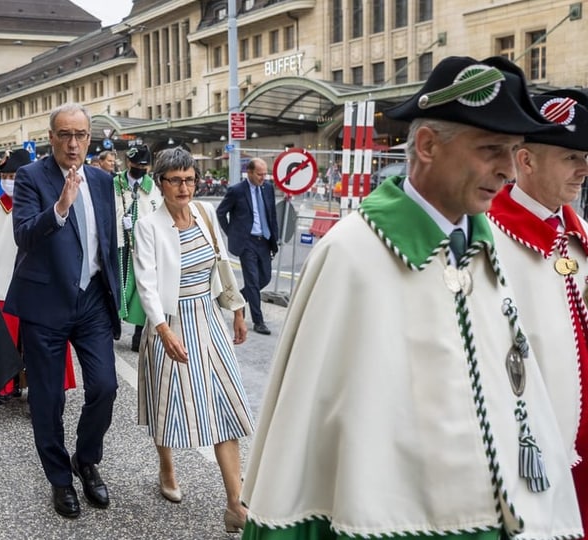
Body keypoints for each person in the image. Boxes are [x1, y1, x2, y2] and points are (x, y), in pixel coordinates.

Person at [240, 56, 581, 539]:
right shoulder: (351, 254)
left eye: (514, 150)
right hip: (388, 525)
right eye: (491, 149)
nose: (507, 170)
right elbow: (307, 435)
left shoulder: (487, 248)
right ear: (426, 146)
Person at [5, 103, 121, 519]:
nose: (73, 144)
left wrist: (116, 297)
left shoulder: (104, 180)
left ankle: (86, 459)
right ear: (51, 137)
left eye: (81, 135)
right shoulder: (31, 177)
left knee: (105, 387)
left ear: (90, 138)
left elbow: (108, 243)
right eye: (65, 135)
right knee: (48, 400)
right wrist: (60, 208)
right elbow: (23, 235)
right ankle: (59, 478)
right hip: (46, 303)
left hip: (91, 301)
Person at [133, 147, 252, 532]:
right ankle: (166, 466)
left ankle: (235, 503)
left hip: (209, 318)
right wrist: (162, 329)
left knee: (225, 404)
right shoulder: (149, 225)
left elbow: (222, 264)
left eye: (189, 179)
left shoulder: (204, 213)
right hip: (170, 320)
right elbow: (147, 283)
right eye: (175, 180)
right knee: (166, 401)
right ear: (161, 183)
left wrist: (237, 308)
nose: (184, 187)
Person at [487, 88, 588, 526]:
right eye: (570, 158)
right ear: (525, 161)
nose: (584, 170)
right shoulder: (488, 236)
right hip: (534, 447)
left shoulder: (577, 227)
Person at [0, 149, 76, 396]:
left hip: (40, 283)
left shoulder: (46, 207)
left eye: (15, 176)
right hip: (1, 285)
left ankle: (41, 388)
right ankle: (6, 384)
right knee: (6, 341)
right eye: (7, 176)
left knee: (42, 342)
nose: (11, 182)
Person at [215, 158, 279, 335]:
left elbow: (272, 215)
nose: (263, 178)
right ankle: (259, 322)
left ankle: (240, 301)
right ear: (249, 172)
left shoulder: (268, 188)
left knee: (264, 278)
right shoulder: (236, 191)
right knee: (252, 280)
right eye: (259, 174)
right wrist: (232, 233)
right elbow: (221, 213)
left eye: (265, 174)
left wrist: (275, 240)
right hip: (247, 242)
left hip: (264, 240)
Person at [114, 144, 163, 351]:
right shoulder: (115, 184)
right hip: (118, 246)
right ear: (128, 163)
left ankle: (137, 335)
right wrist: (120, 222)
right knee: (115, 287)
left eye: (144, 165)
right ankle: (112, 327)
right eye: (136, 164)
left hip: (143, 248)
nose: (140, 168)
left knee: (143, 289)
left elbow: (158, 215)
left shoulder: (154, 188)